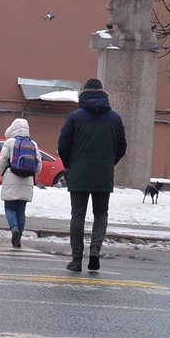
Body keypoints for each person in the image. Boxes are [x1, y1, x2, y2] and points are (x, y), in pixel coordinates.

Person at [57, 77, 125, 273]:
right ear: (103, 93)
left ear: (84, 93)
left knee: (77, 214)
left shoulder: (75, 117)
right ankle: (95, 250)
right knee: (101, 213)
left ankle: (76, 259)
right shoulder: (115, 118)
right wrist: (108, 163)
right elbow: (122, 147)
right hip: (103, 173)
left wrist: (71, 163)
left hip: (79, 172)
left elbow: (63, 145)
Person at [0, 117, 38, 248]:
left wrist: (2, 176)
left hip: (10, 176)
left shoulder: (9, 142)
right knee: (21, 210)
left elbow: (2, 161)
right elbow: (39, 164)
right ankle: (19, 237)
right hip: (27, 179)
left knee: (9, 208)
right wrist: (32, 178)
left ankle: (14, 229)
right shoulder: (33, 144)